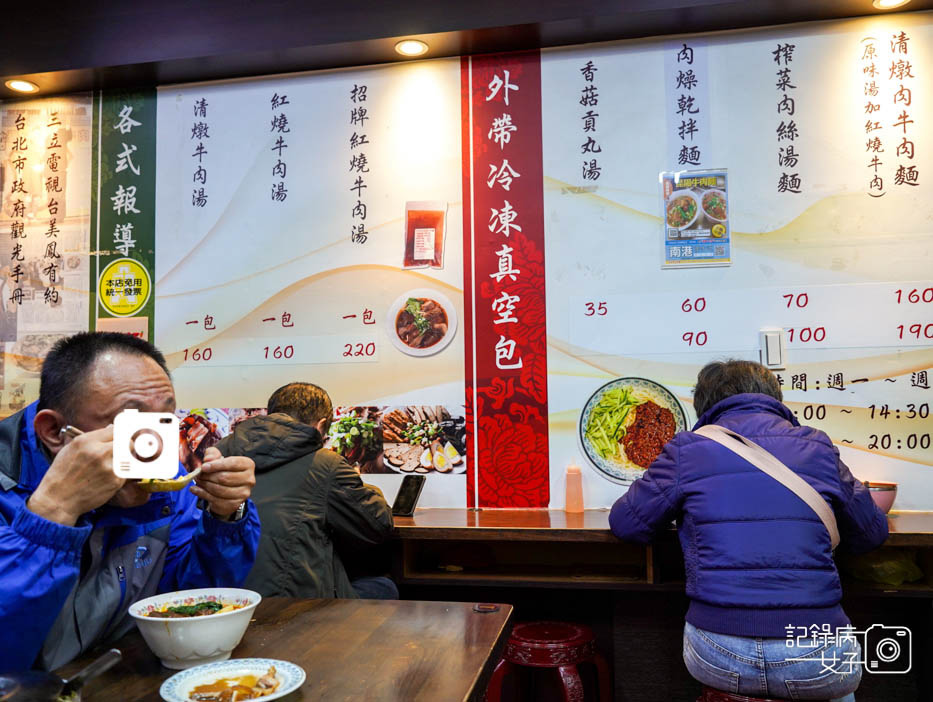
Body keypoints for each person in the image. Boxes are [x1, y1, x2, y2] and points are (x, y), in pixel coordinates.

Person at [609, 360, 888, 702]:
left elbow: (626, 524)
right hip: (812, 650)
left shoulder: (688, 449)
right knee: (834, 685)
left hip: (719, 652)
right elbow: (872, 534)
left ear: (705, 405)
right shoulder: (816, 446)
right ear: (775, 397)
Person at [0, 332, 260, 671]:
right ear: (53, 431)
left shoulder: (167, 482)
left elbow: (183, 602)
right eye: (129, 422)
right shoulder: (10, 486)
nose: (151, 445)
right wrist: (53, 513)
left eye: (163, 421)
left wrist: (224, 517)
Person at [216, 382, 395, 599]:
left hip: (223, 598)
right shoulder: (326, 464)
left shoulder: (220, 451)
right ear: (320, 426)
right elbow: (378, 525)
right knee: (383, 587)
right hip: (293, 606)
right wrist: (367, 485)